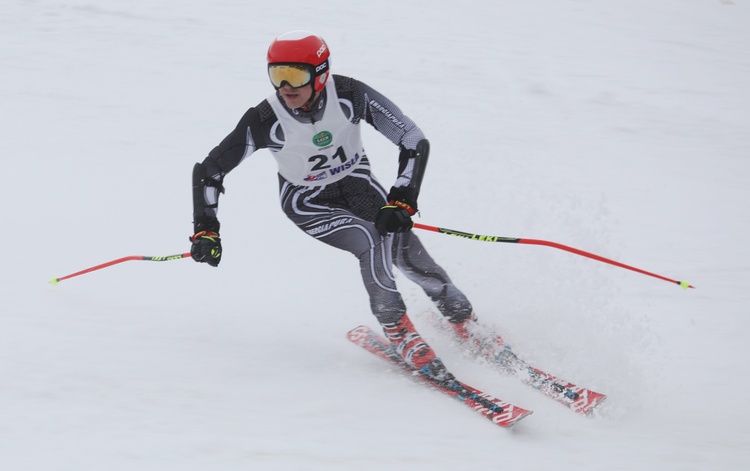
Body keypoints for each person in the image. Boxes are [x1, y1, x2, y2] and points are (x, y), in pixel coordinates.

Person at [189, 31, 500, 381]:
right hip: (308, 202)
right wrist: (206, 230)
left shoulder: (351, 94)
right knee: (370, 240)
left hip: (360, 187)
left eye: (296, 75)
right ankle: (396, 328)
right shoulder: (265, 119)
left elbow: (412, 139)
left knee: (410, 255)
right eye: (277, 75)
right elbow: (210, 170)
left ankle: (462, 318)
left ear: (321, 74)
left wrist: (401, 199)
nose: (285, 87)